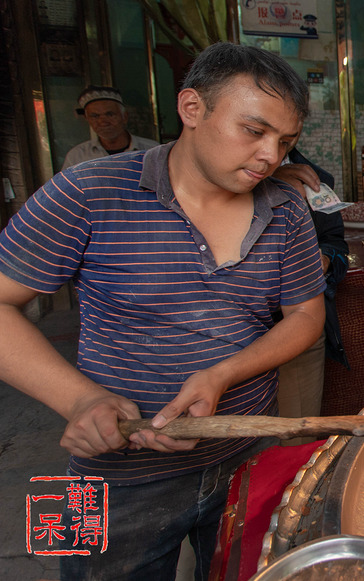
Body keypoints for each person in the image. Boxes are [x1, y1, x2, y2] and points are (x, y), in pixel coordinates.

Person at [0, 42, 327, 580]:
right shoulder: (87, 191)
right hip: (107, 470)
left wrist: (223, 374)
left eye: (285, 142)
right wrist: (79, 400)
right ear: (192, 108)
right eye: (254, 131)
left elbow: (306, 317)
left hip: (249, 453)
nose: (271, 156)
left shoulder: (286, 205)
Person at [272, 147, 349, 442]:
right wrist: (269, 182)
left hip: (294, 329)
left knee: (294, 438)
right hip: (232, 335)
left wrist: (326, 258)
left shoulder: (315, 180)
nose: (269, 151)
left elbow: (335, 241)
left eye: (287, 136)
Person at [61, 85, 158, 170]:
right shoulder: (77, 156)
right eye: (95, 116)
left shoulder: (152, 150)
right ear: (87, 119)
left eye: (110, 114)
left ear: (125, 117)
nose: (103, 122)